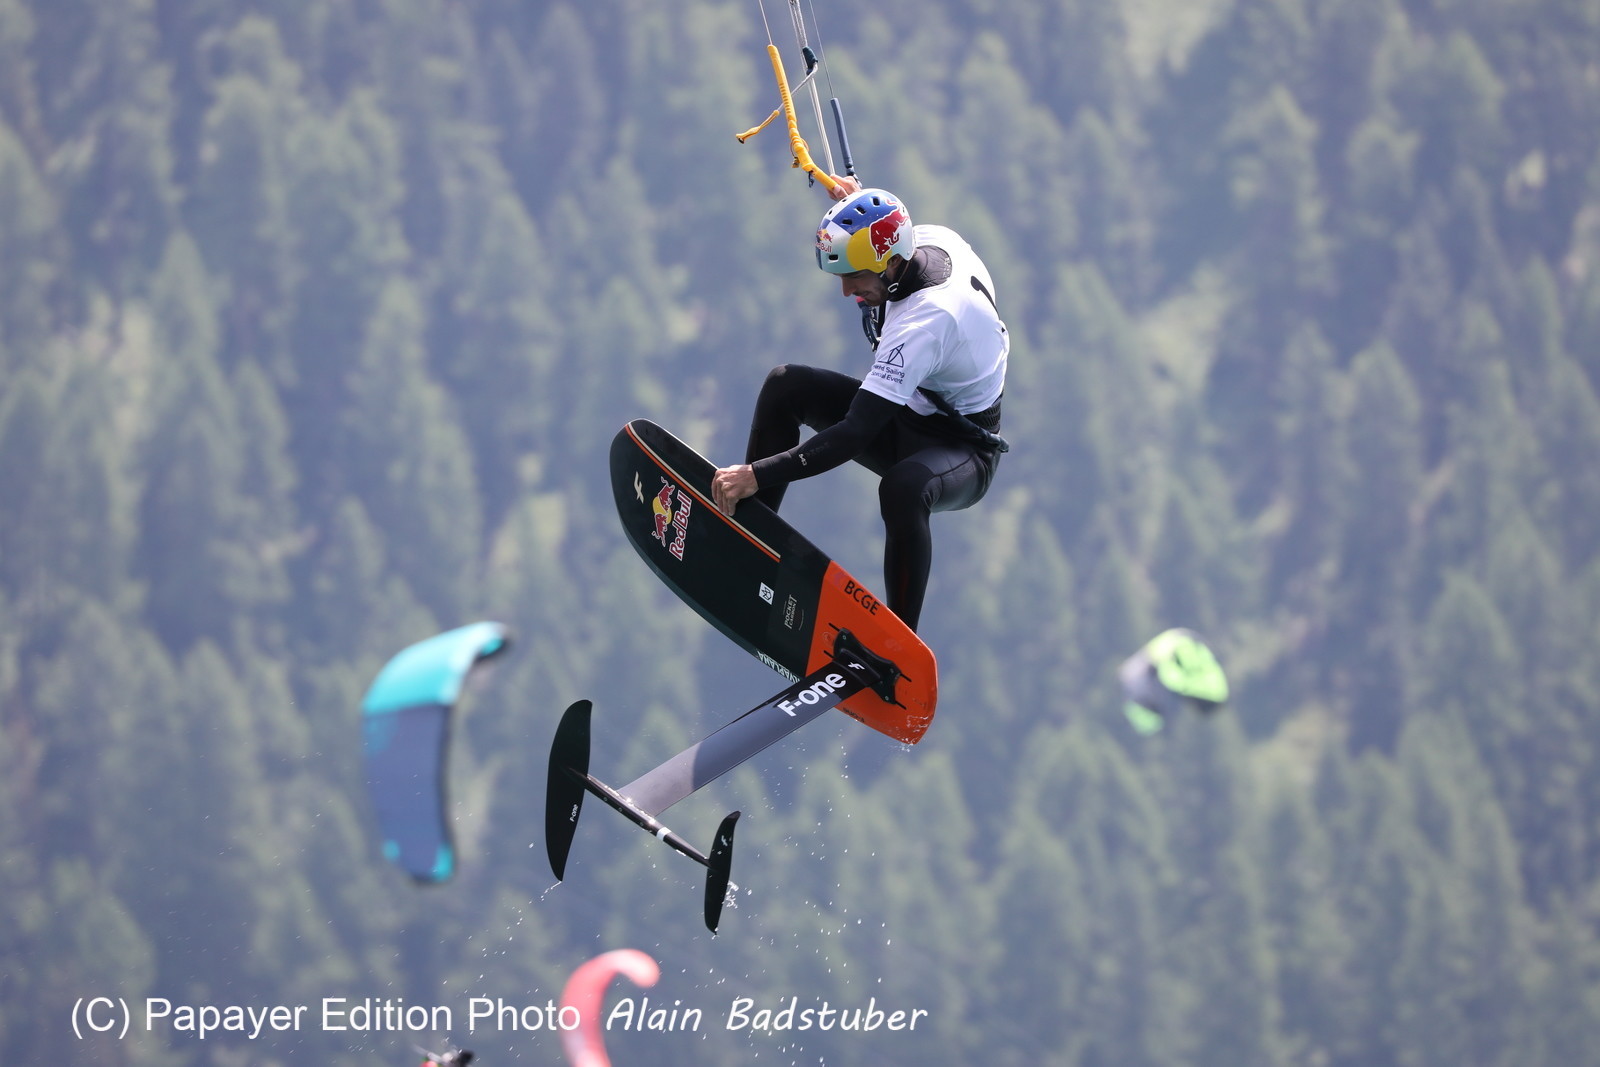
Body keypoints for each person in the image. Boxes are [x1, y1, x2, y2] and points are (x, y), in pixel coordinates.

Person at [711, 178, 1010, 632]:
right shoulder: (924, 240)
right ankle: (753, 544)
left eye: (854, 277)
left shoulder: (926, 322)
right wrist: (855, 200)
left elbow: (852, 435)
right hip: (910, 414)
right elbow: (887, 223)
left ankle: (899, 643)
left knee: (904, 487)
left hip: (963, 452)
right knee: (784, 387)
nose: (847, 291)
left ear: (890, 267)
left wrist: (757, 474)